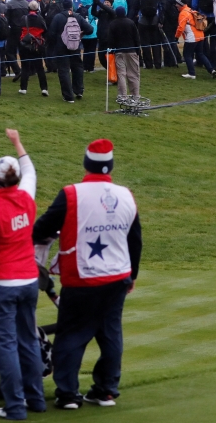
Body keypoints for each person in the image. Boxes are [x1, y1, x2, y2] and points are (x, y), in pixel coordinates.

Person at [32, 139, 142, 408]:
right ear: (110, 165)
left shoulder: (72, 194)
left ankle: (68, 394)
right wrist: (133, 276)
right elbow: (135, 239)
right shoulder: (126, 194)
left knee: (71, 334)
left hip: (82, 276)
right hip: (118, 277)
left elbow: (43, 227)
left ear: (87, 163)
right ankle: (105, 390)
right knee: (110, 333)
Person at [0, 129, 45, 420]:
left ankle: (15, 406)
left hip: (0, 285)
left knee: (4, 344)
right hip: (28, 280)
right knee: (27, 340)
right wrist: (17, 142)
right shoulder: (26, 196)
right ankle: (36, 400)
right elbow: (30, 169)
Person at [47, 0, 89, 103]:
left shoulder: (58, 17)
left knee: (64, 71)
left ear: (62, 6)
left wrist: (54, 44)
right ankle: (79, 91)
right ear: (71, 6)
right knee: (77, 68)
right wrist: (80, 34)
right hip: (75, 46)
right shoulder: (77, 16)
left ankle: (68, 96)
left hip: (61, 48)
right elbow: (90, 29)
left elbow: (51, 34)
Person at [108, 6, 142, 100]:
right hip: (132, 51)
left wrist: (112, 49)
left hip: (119, 51)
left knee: (121, 74)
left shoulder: (113, 24)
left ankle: (122, 96)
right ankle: (135, 95)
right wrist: (138, 51)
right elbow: (137, 37)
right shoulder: (130, 22)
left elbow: (110, 40)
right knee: (134, 74)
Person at [176, 3, 214, 79]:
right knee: (200, 54)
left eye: (177, 4)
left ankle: (191, 73)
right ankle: (211, 70)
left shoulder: (183, 13)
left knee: (187, 55)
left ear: (180, 4)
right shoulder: (191, 10)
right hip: (200, 36)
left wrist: (176, 37)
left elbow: (181, 27)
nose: (176, 5)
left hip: (191, 37)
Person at [18, 0, 48, 96]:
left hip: (25, 45)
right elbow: (45, 31)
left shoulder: (23, 18)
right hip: (37, 45)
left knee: (25, 67)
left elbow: (19, 30)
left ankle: (23, 88)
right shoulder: (40, 19)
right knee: (39, 67)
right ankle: (44, 89)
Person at [135, 0, 163, 69]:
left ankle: (148, 64)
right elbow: (163, 7)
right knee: (156, 43)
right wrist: (161, 20)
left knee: (145, 43)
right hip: (155, 20)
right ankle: (158, 63)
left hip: (143, 21)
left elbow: (135, 7)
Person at [4, 0, 28, 79]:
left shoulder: (9, 4)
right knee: (24, 52)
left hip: (13, 31)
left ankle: (17, 70)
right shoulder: (26, 4)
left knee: (9, 52)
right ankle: (25, 72)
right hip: (24, 30)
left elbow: (7, 19)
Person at [76, 0, 99, 73]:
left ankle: (85, 66)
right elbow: (96, 18)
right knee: (92, 50)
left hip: (83, 33)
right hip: (92, 32)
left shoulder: (79, 9)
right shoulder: (92, 8)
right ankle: (90, 67)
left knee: (85, 50)